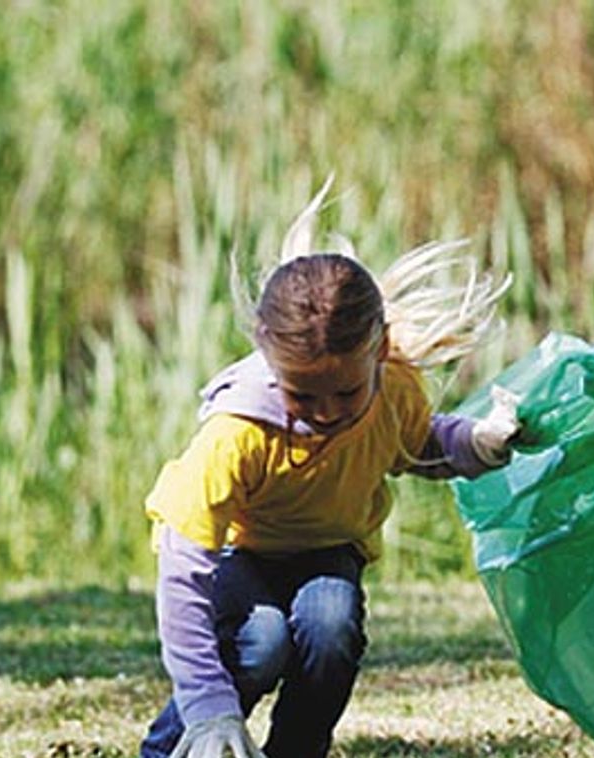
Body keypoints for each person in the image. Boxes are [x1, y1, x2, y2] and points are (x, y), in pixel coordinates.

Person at [139, 178, 519, 758]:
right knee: (262, 643)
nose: (327, 414)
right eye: (304, 397)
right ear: (269, 356)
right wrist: (210, 707)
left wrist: (478, 444)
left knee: (332, 624)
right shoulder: (237, 433)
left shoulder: (392, 391)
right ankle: (180, 748)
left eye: (345, 393)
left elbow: (418, 443)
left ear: (379, 347)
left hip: (328, 550)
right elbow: (181, 571)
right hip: (242, 556)